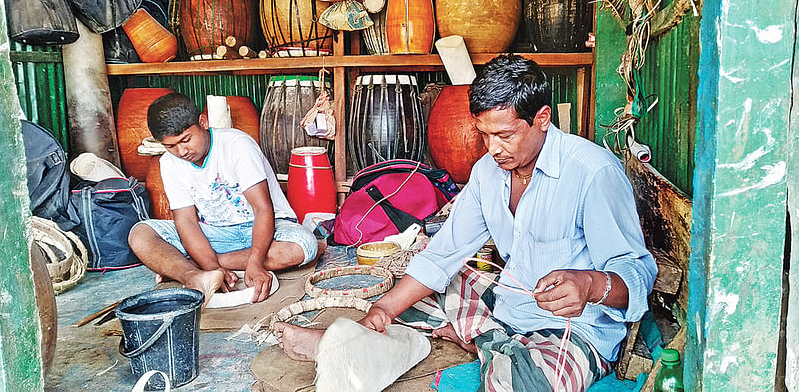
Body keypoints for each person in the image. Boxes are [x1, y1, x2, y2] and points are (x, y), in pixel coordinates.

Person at [274, 55, 657, 391]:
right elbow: (445, 253)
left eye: (504, 135)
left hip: (575, 331)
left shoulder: (592, 173)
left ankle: (483, 343)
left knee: (515, 381)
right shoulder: (488, 172)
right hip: (510, 304)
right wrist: (383, 311)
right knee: (413, 291)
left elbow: (637, 274)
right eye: (484, 134)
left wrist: (589, 284)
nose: (492, 149)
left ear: (542, 118)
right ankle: (348, 341)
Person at [128, 93, 324, 303]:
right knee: (140, 234)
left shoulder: (237, 144)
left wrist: (255, 262)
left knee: (302, 247)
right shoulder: (169, 163)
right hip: (216, 234)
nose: (182, 151)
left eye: (186, 140)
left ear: (202, 122)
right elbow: (186, 221)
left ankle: (187, 263)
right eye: (171, 146)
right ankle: (194, 275)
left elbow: (262, 209)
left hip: (265, 227)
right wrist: (212, 268)